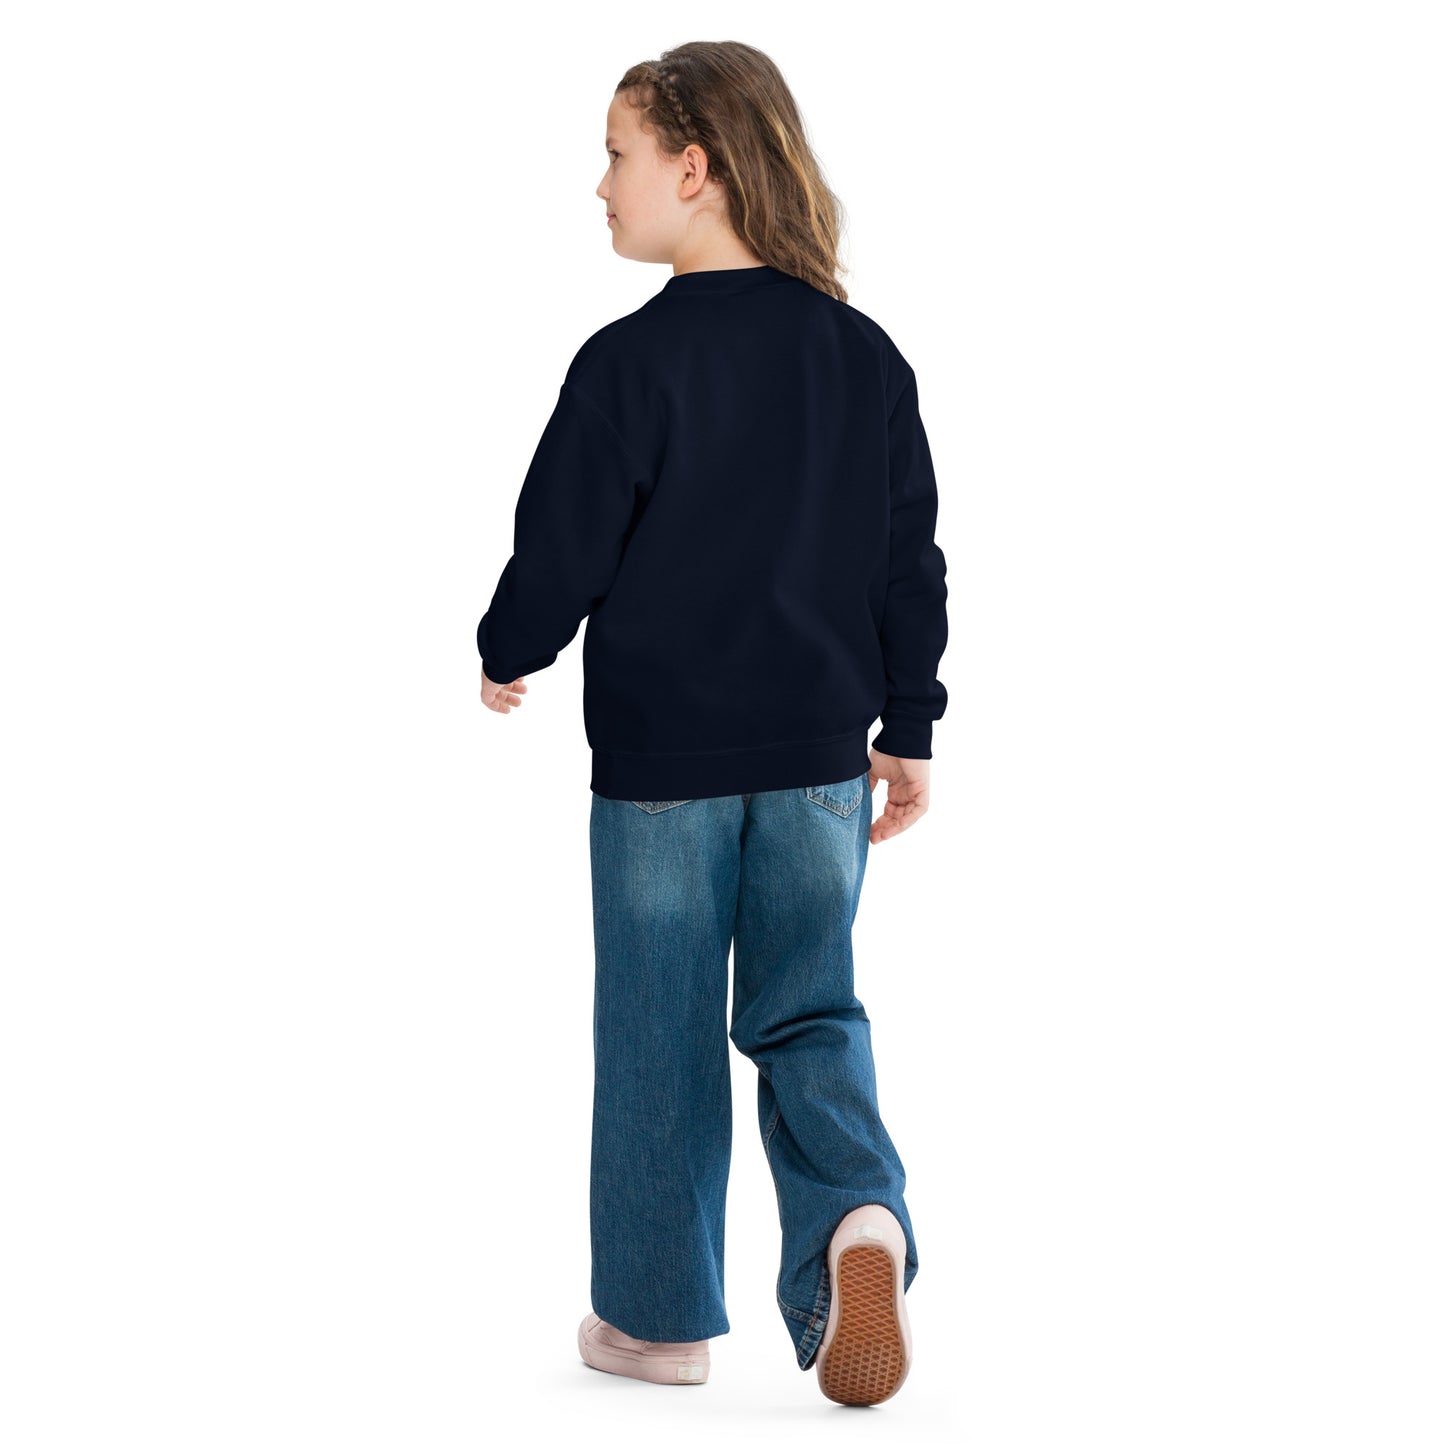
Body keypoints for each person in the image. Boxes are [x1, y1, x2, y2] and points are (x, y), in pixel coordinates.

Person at [475, 41, 947, 1408]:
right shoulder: (861, 358)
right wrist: (909, 725)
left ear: (695, 167)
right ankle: (856, 1219)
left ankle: (654, 1319)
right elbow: (906, 562)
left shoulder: (629, 364)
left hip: (660, 773)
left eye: (617, 154)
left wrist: (510, 648)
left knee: (658, 1028)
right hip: (816, 765)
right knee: (809, 1006)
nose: (599, 185)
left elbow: (564, 539)